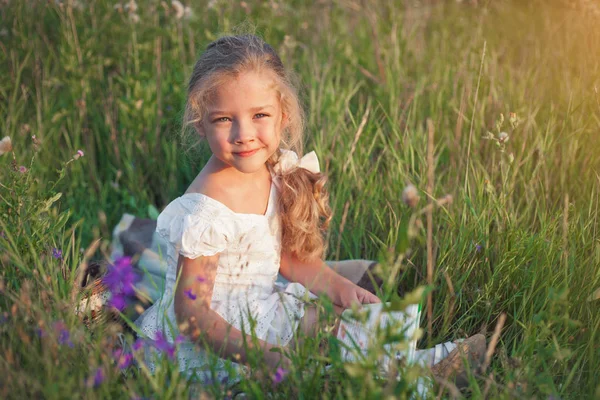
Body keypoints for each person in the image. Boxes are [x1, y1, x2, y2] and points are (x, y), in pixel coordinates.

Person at [132, 34, 485, 386]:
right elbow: (192, 315)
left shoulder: (269, 171)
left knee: (338, 318)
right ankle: (413, 376)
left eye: (259, 115)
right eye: (224, 119)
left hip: (261, 308)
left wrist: (340, 288)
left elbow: (288, 259)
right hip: (216, 343)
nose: (243, 134)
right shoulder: (205, 210)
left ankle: (415, 364)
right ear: (201, 122)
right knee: (315, 362)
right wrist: (265, 356)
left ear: (283, 115)